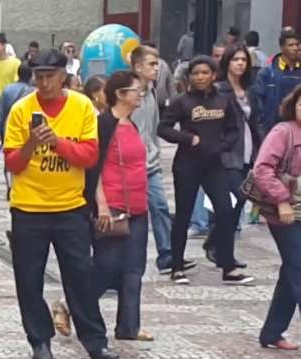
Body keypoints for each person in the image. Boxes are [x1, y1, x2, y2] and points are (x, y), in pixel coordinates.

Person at [3, 48, 118, 359]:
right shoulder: (20, 110)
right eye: (38, 77)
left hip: (70, 207)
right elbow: (13, 163)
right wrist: (30, 143)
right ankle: (39, 339)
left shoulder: (82, 107)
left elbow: (89, 157)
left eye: (49, 77)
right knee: (28, 279)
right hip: (28, 207)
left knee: (80, 276)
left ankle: (95, 342)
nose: (43, 83)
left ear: (63, 76)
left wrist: (56, 142)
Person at [158, 56, 253, 285]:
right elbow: (163, 128)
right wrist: (187, 138)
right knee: (183, 215)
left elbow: (233, 130)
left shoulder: (224, 101)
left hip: (214, 165)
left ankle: (228, 266)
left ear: (213, 75)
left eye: (204, 73)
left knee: (225, 211)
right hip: (187, 165)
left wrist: (222, 146)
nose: (200, 77)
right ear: (189, 76)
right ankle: (177, 267)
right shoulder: (181, 102)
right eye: (196, 73)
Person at [88, 71, 153, 342]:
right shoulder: (104, 124)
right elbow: (94, 168)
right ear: (120, 94)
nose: (141, 94)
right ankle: (72, 306)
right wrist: (101, 205)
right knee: (107, 266)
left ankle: (129, 327)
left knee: (134, 269)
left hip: (138, 205)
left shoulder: (132, 124)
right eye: (136, 90)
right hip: (112, 205)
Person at [130, 45, 190, 276]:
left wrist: (153, 150)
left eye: (157, 63)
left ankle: (166, 255)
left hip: (150, 162)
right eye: (151, 64)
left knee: (160, 207)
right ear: (137, 66)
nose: (157, 68)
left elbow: (153, 127)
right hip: (131, 165)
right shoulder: (128, 93)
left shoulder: (153, 91)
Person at [251, 85, 301, 350]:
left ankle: (272, 331)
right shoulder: (283, 132)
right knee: (298, 266)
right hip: (285, 212)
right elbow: (262, 169)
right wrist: (282, 200)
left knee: (291, 271)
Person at [211, 45, 263, 267]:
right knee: (237, 197)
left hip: (248, 152)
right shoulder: (219, 89)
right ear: (227, 63)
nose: (240, 63)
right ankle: (222, 251)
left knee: (239, 204)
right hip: (227, 154)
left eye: (244, 60)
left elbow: (256, 122)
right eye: (236, 59)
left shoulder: (249, 91)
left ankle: (218, 247)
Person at [254, 29, 301, 137]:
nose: (295, 48)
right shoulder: (267, 73)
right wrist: (261, 132)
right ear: (282, 47)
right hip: (272, 131)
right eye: (291, 45)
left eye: (297, 44)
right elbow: (258, 104)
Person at [0, 62, 34, 140]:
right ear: (31, 76)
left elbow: (0, 112)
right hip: (25, 131)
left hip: (7, 128)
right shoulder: (33, 92)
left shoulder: (7, 89)